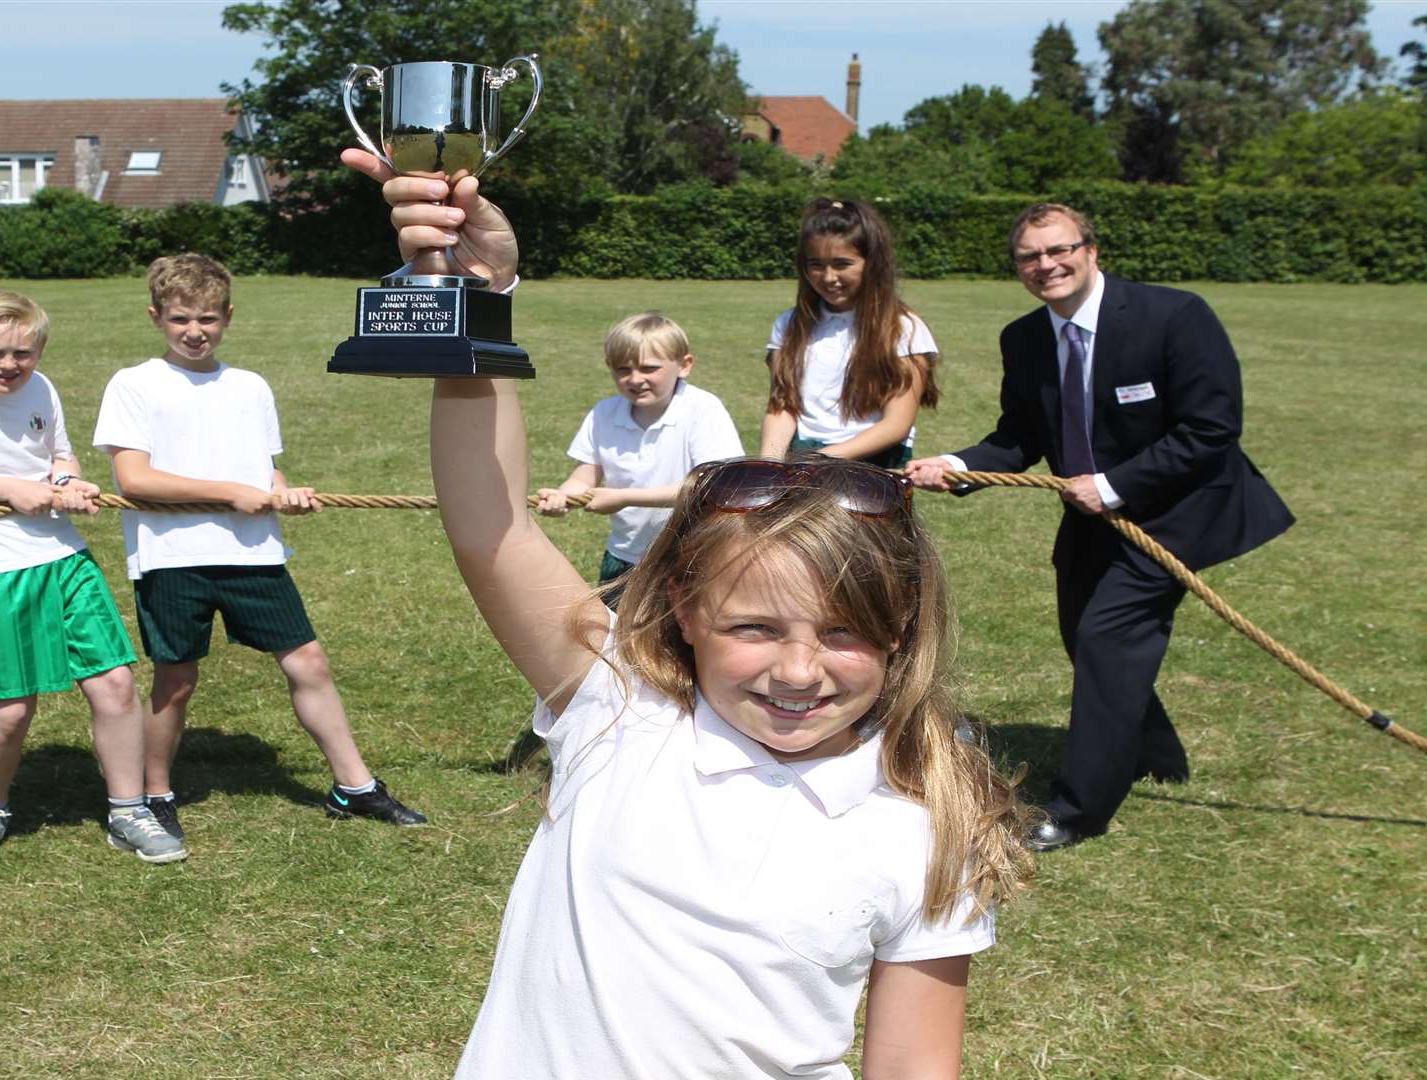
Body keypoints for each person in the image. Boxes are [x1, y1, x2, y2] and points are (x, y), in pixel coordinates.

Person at [341, 151, 1033, 1079]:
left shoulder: (923, 819)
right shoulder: (619, 710)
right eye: (754, 628)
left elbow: (913, 1068)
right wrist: (481, 294)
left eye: (842, 634)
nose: (798, 672)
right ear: (682, 611)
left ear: (902, 635)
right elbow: (492, 528)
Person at [906, 203, 1294, 852]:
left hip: (1176, 514)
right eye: (1029, 257)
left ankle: (1079, 809)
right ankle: (1157, 755)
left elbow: (1212, 429)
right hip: (1090, 519)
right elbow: (1020, 437)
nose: (1046, 266)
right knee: (1086, 639)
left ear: (1091, 249)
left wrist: (1114, 485)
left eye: (1060, 250)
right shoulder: (1024, 339)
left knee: (1108, 638)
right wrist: (957, 465)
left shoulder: (1173, 317)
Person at [91, 254, 427, 855]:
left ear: (229, 317)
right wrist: (233, 494)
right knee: (176, 680)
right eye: (180, 319)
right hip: (173, 557)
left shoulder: (249, 387)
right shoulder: (135, 384)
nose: (195, 330)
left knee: (310, 664)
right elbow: (134, 479)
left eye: (209, 318)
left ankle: (355, 785)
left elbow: (264, 468)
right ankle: (157, 793)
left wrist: (280, 492)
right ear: (155, 317)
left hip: (254, 554)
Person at [0, 290, 179, 865]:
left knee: (115, 683)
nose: (9, 366)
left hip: (61, 555)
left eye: (24, 353)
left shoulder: (40, 389)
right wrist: (4, 487)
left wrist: (68, 482)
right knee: (10, 708)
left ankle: (128, 809)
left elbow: (60, 456)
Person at [534, 312, 744, 607]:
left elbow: (712, 486)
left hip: (693, 556)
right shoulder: (604, 414)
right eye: (622, 369)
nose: (635, 379)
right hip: (625, 556)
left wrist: (624, 497)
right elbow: (585, 475)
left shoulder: (702, 409)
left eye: (649, 368)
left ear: (684, 366)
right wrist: (563, 497)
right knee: (616, 642)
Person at [760, 197, 941, 468]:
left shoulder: (904, 329)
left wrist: (823, 459)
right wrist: (769, 463)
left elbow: (897, 424)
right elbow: (782, 406)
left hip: (870, 466)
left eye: (842, 264)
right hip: (801, 461)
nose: (829, 277)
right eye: (816, 265)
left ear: (872, 263)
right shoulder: (789, 324)